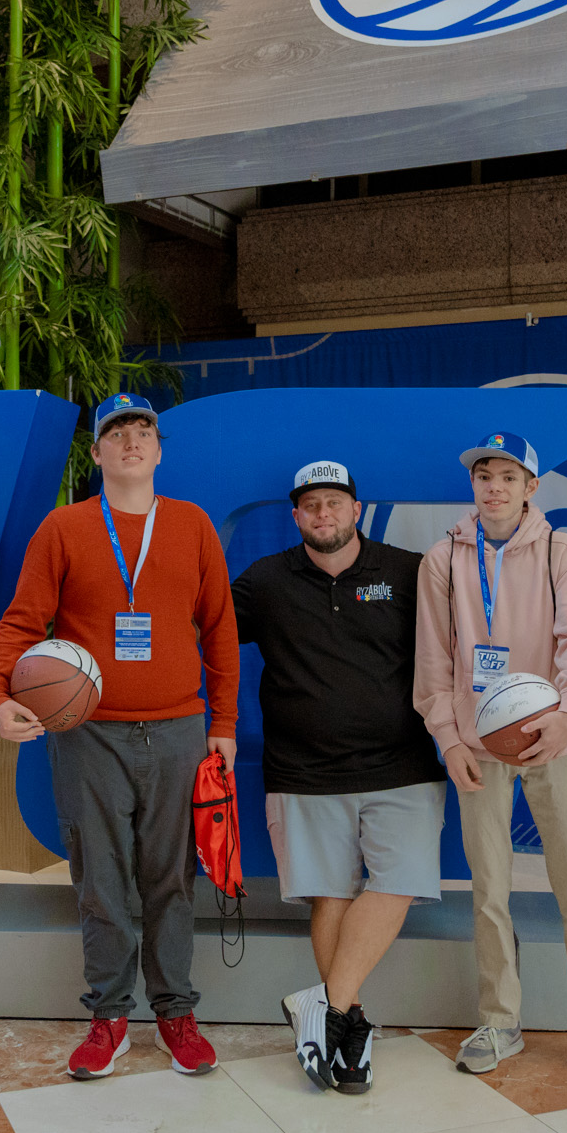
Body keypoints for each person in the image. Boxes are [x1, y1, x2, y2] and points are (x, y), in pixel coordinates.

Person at [0, 393, 240, 1081]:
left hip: (182, 730)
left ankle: (176, 1011)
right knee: (102, 879)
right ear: (96, 454)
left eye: (143, 431)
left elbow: (220, 630)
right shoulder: (62, 528)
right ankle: (109, 1016)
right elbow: (20, 622)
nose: (132, 440)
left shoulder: (191, 525)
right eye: (116, 432)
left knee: (172, 881)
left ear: (159, 450)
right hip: (89, 734)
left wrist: (223, 724)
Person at [413, 432, 567, 1091]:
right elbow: (434, 661)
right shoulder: (443, 560)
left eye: (508, 475)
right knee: (490, 893)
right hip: (481, 749)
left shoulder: (559, 553)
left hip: (553, 741)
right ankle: (499, 1020)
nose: (494, 486)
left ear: (531, 487)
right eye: (484, 474)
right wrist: (450, 739)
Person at [232, 460, 446, 1096]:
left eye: (334, 502)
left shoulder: (408, 571)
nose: (322, 514)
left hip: (401, 766)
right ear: (295, 517)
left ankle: (320, 1007)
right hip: (302, 771)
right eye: (310, 506)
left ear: (356, 509)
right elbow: (204, 632)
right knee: (330, 896)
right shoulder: (266, 580)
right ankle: (347, 1031)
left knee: (401, 881)